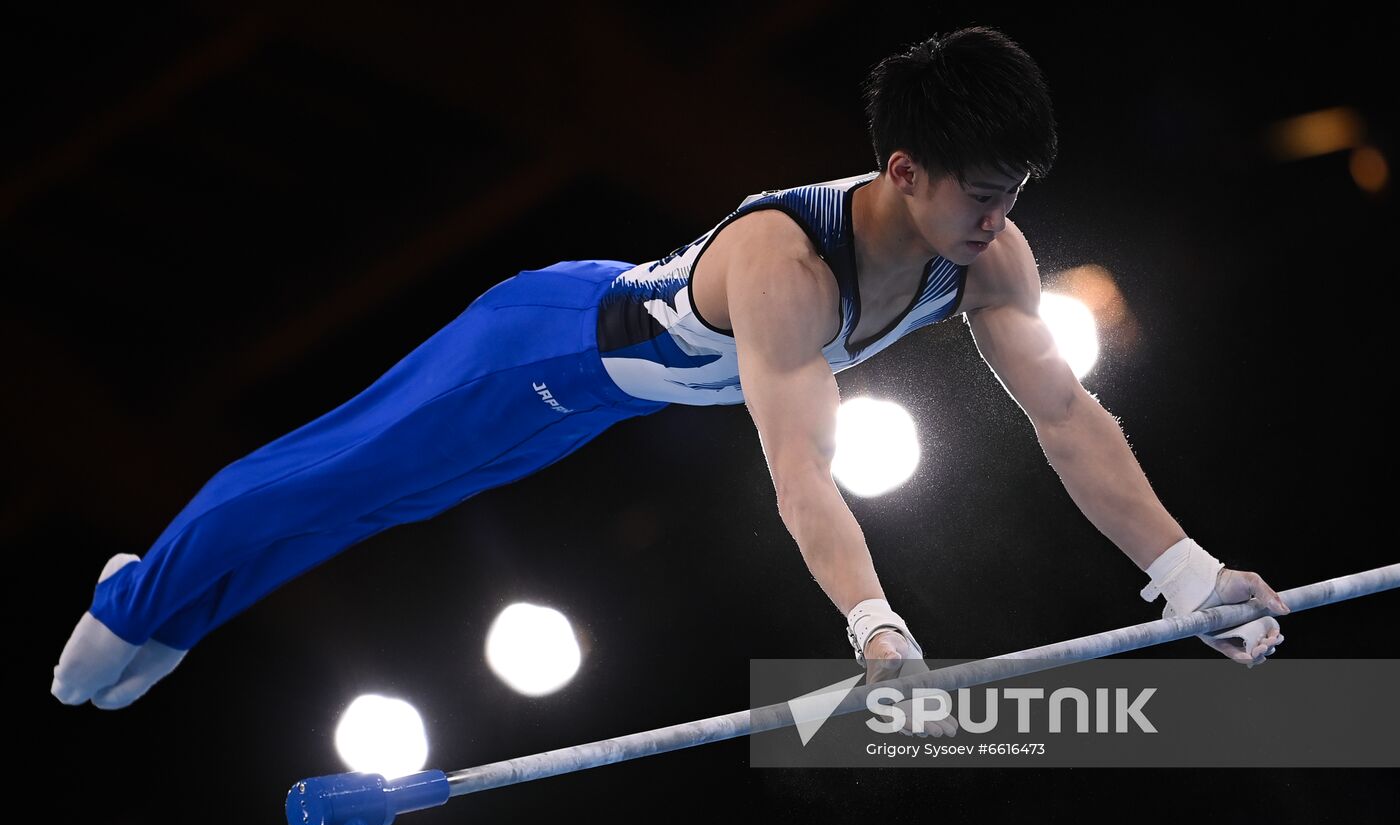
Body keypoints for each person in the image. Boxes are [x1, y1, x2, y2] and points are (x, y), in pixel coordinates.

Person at [51, 27, 1289, 727]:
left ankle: (165, 600)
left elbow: (1068, 420)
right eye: (982, 193)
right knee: (330, 480)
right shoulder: (786, 267)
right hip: (534, 345)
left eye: (1017, 195)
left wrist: (1184, 575)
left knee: (387, 508)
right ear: (904, 169)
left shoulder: (990, 259)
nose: (1002, 219)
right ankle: (133, 605)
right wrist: (877, 631)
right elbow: (800, 471)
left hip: (597, 399)